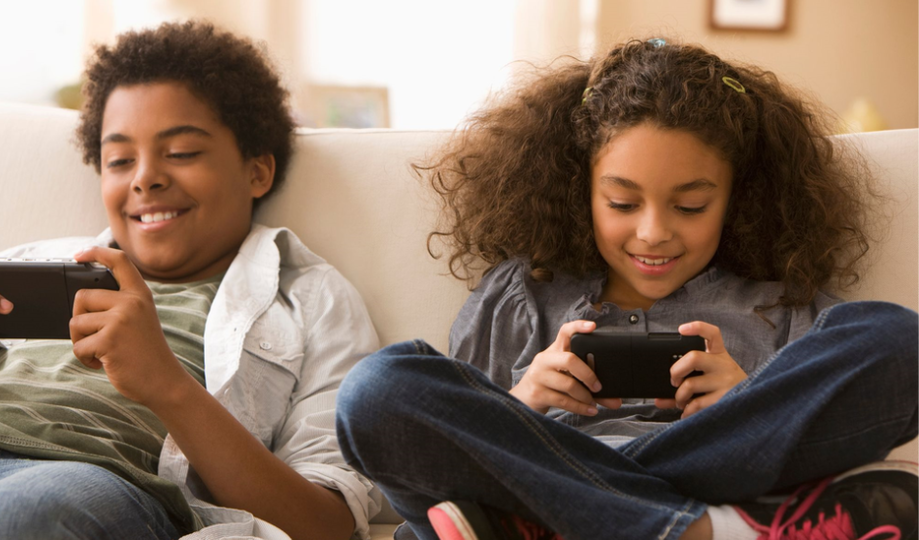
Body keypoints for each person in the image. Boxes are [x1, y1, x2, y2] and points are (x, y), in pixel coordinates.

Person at [335, 38, 919, 540]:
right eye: (621, 202)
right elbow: (447, 443)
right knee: (376, 389)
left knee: (901, 340)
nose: (654, 232)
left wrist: (748, 402)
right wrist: (524, 404)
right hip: (720, 516)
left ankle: (551, 520)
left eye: (690, 205)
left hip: (531, 512)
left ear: (737, 198)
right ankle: (696, 529)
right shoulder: (522, 294)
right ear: (579, 191)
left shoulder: (781, 309)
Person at [0, 21, 380, 540]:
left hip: (71, 485)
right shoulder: (31, 260)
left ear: (257, 172)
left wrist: (164, 383)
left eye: (181, 152)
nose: (144, 177)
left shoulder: (311, 299)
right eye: (119, 160)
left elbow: (328, 526)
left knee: (18, 518)